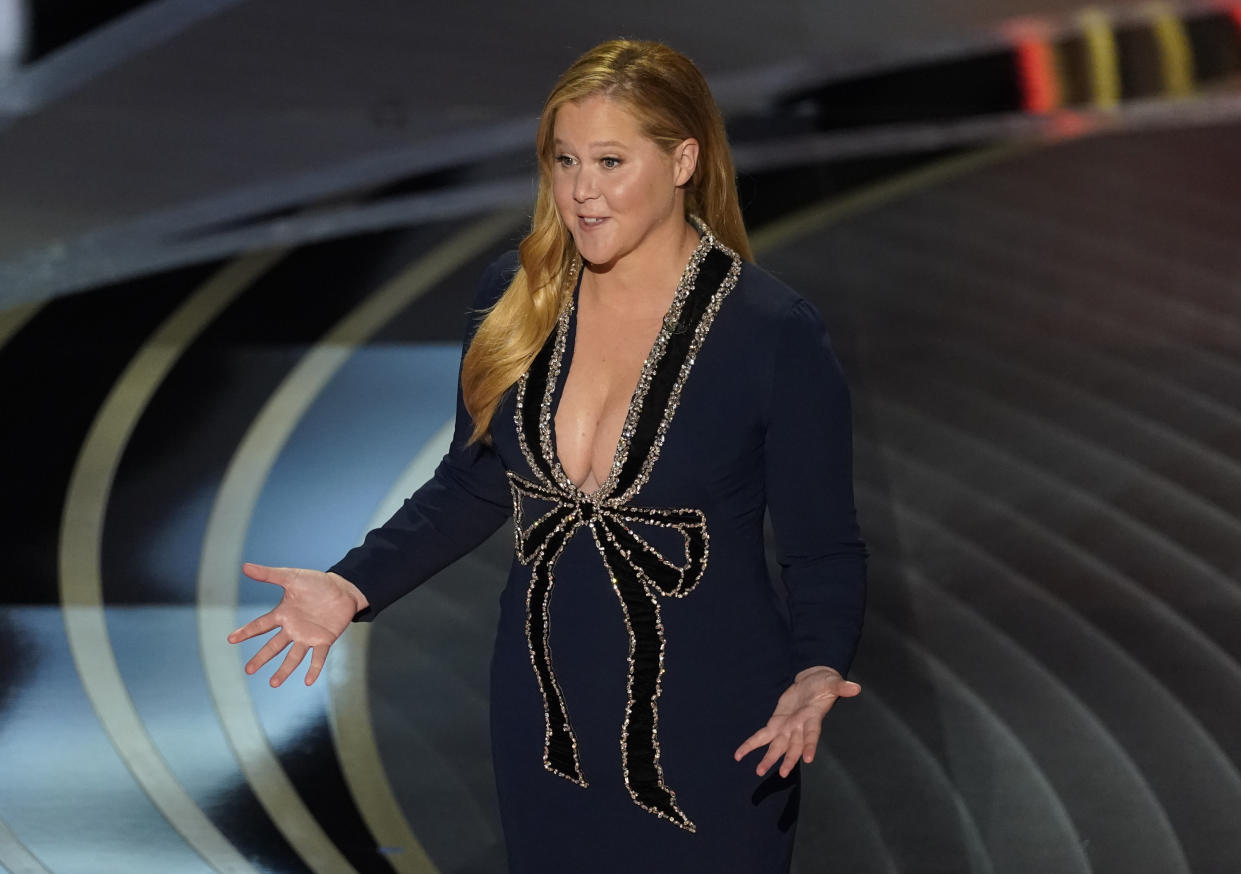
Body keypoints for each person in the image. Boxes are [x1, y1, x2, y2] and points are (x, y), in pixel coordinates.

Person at [228, 38, 867, 873]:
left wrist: (818, 668)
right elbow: (473, 483)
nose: (581, 192)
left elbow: (823, 547)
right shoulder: (514, 296)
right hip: (542, 715)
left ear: (683, 159)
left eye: (609, 160)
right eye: (564, 160)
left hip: (723, 727)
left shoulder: (771, 331)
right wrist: (353, 584)